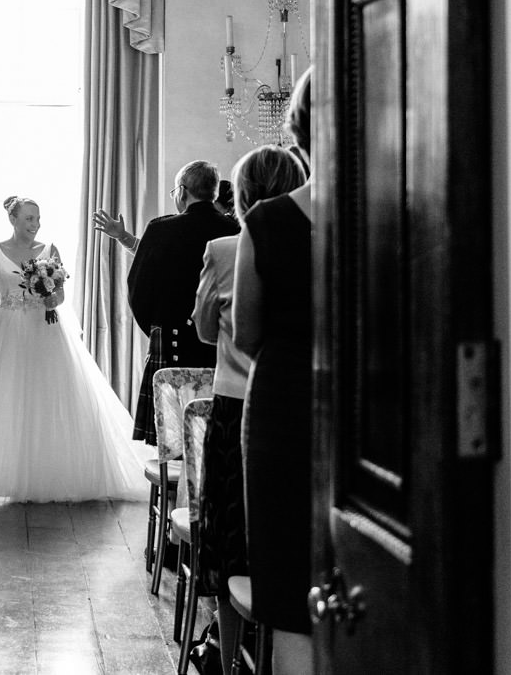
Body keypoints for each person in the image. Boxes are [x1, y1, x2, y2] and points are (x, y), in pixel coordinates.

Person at [189, 144, 308, 664]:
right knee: (285, 540)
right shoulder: (321, 234)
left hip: (238, 403)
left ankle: (224, 647)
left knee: (229, 539)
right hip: (302, 405)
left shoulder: (222, 249)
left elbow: (203, 328)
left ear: (239, 196)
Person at [0, 197, 149, 502]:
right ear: (13, 219)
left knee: (49, 397)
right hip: (7, 332)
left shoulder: (49, 250)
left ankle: (51, 473)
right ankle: (5, 476)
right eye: (29, 219)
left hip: (46, 331)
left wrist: (50, 297)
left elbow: (60, 295)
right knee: (8, 400)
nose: (35, 225)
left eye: (38, 219)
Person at [233, 69, 315, 675]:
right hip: (377, 401)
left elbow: (248, 332)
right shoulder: (403, 205)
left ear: (298, 130)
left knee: (288, 589)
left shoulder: (267, 222)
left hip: (285, 402)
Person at [125, 161, 239, 444]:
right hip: (221, 343)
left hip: (171, 340)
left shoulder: (160, 229)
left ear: (183, 191)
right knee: (215, 433)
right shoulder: (235, 229)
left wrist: (156, 329)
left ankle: (172, 485)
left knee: (171, 436)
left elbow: (138, 288)